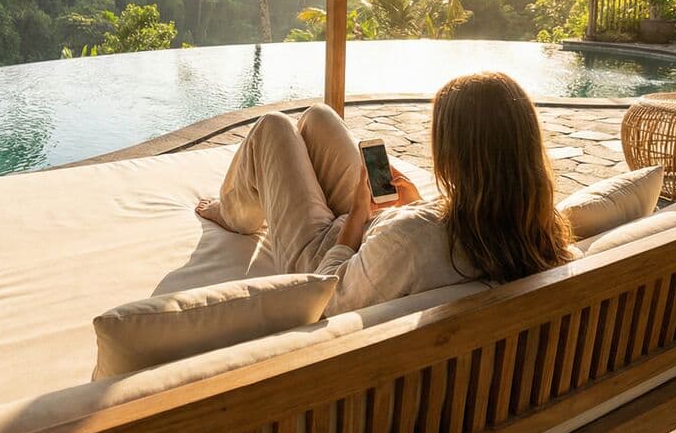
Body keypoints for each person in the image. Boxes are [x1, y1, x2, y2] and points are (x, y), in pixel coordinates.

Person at [196, 72, 572, 315]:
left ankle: (232, 214)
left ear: (453, 157)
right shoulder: (537, 227)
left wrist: (358, 217)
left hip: (329, 255)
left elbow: (325, 297)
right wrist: (416, 207)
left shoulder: (410, 239)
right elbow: (434, 247)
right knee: (319, 117)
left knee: (274, 128)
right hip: (382, 241)